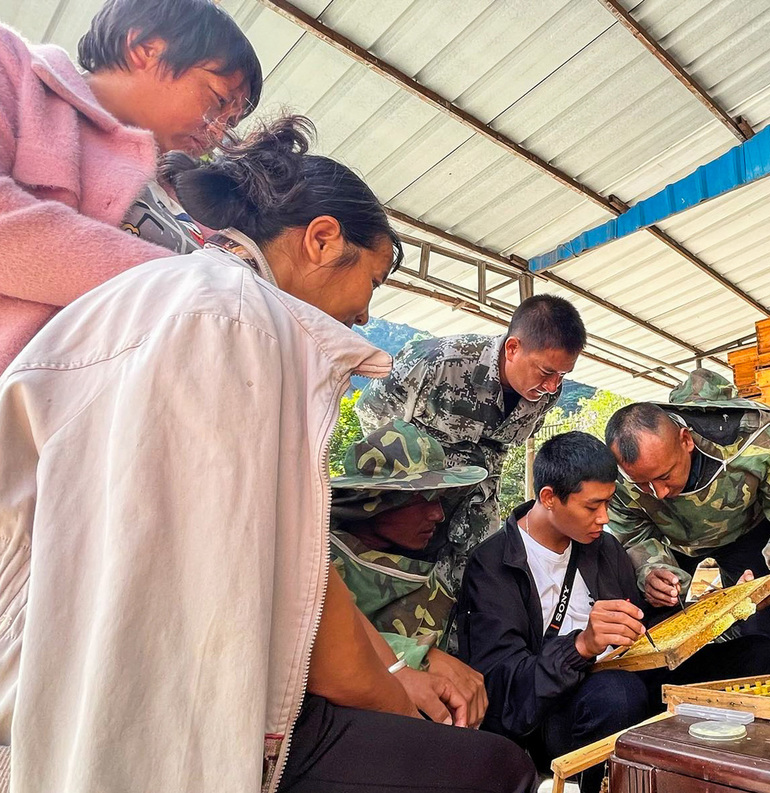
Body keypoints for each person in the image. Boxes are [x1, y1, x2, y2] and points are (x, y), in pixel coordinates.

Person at [0, 117, 535, 793]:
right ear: (321, 238)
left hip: (45, 671)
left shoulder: (147, 297)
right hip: (146, 699)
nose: (366, 314)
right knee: (499, 767)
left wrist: (400, 668)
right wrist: (403, 703)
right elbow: (324, 647)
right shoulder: (239, 322)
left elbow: (301, 566)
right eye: (370, 280)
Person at [460, 432, 770, 793]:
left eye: (608, 504)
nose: (603, 518)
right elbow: (503, 691)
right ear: (549, 498)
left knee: (759, 654)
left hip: (628, 679)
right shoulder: (492, 565)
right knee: (617, 692)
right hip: (554, 713)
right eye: (591, 506)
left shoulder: (603, 547)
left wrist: (722, 606)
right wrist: (581, 646)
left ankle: (732, 779)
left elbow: (646, 636)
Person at [1, 0, 262, 369]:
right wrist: (188, 291)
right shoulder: (16, 69)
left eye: (231, 122)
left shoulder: (180, 192)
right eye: (219, 101)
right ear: (144, 48)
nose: (217, 131)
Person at [355, 293, 588, 614]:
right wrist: (404, 490)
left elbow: (507, 446)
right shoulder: (436, 362)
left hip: (477, 514)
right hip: (416, 508)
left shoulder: (546, 394)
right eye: (546, 371)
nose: (552, 386)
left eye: (562, 375)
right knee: (406, 603)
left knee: (474, 604)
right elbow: (371, 411)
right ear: (512, 348)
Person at [604, 369, 770, 639]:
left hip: (747, 534)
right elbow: (633, 536)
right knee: (662, 630)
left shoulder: (756, 443)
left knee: (755, 629)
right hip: (672, 547)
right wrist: (652, 570)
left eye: (665, 476)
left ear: (685, 440)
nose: (660, 493)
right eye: (643, 484)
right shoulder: (613, 479)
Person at [330, 419, 492, 729]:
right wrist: (417, 656)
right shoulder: (321, 560)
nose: (437, 513)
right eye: (420, 499)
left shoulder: (429, 561)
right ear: (374, 502)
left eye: (440, 499)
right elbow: (317, 638)